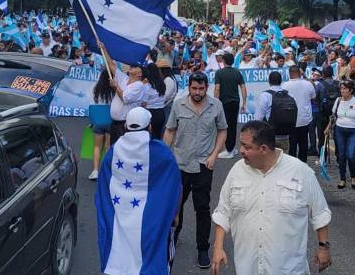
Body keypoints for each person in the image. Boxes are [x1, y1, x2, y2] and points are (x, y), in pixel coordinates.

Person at [211, 120, 332, 275]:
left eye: (247, 147)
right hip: (247, 268)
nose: (241, 150)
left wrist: (323, 247)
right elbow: (223, 212)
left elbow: (320, 213)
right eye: (241, 144)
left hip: (289, 270)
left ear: (264, 149)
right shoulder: (237, 172)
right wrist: (218, 248)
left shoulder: (300, 171)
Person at [95, 107, 181, 275]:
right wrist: (175, 214)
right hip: (152, 220)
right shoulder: (162, 152)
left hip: (119, 217)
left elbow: (103, 188)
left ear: (126, 126)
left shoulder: (113, 152)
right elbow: (175, 186)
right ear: (149, 127)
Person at [164, 71, 227, 269]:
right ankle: (173, 237)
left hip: (203, 165)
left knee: (202, 208)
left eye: (201, 88)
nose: (197, 92)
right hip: (180, 164)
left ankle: (202, 249)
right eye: (194, 88)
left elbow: (223, 130)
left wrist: (214, 154)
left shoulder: (216, 105)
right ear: (189, 87)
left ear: (206, 88)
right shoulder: (178, 104)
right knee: (176, 205)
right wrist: (166, 157)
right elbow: (170, 130)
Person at [324, 80, 355, 189]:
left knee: (350, 155)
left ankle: (353, 176)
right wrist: (328, 127)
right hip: (340, 130)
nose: (342, 91)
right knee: (341, 155)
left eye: (345, 89)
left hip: (354, 131)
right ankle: (342, 179)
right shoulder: (338, 100)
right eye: (341, 88)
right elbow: (333, 116)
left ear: (351, 90)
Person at [100, 43, 145, 145]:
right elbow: (111, 65)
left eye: (136, 67)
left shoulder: (139, 86)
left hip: (124, 124)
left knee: (122, 151)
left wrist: (116, 86)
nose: (132, 67)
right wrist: (104, 49)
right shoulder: (124, 79)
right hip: (115, 123)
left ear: (139, 73)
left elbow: (125, 98)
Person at [214, 52, 247, 159]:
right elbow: (243, 88)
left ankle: (229, 150)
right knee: (233, 125)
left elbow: (217, 88)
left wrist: (215, 102)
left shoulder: (219, 73)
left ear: (223, 60)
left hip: (225, 102)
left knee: (225, 126)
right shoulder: (237, 72)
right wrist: (244, 103)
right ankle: (231, 148)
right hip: (235, 102)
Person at [282, 65, 316, 162]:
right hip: (305, 119)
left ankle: (293, 166)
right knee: (303, 143)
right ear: (300, 73)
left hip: (290, 119)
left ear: (289, 74)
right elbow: (314, 97)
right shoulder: (308, 84)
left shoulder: (284, 86)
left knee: (292, 145)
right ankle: (303, 164)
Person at [88, 68, 115, 180]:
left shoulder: (96, 88)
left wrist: (92, 121)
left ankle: (95, 170)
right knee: (109, 147)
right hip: (110, 119)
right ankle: (107, 172)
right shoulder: (114, 89)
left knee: (97, 147)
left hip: (98, 120)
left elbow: (92, 104)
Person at [142, 63, 167, 139]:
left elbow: (144, 103)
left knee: (150, 137)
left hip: (151, 113)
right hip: (161, 112)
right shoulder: (162, 84)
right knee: (158, 136)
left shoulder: (147, 86)